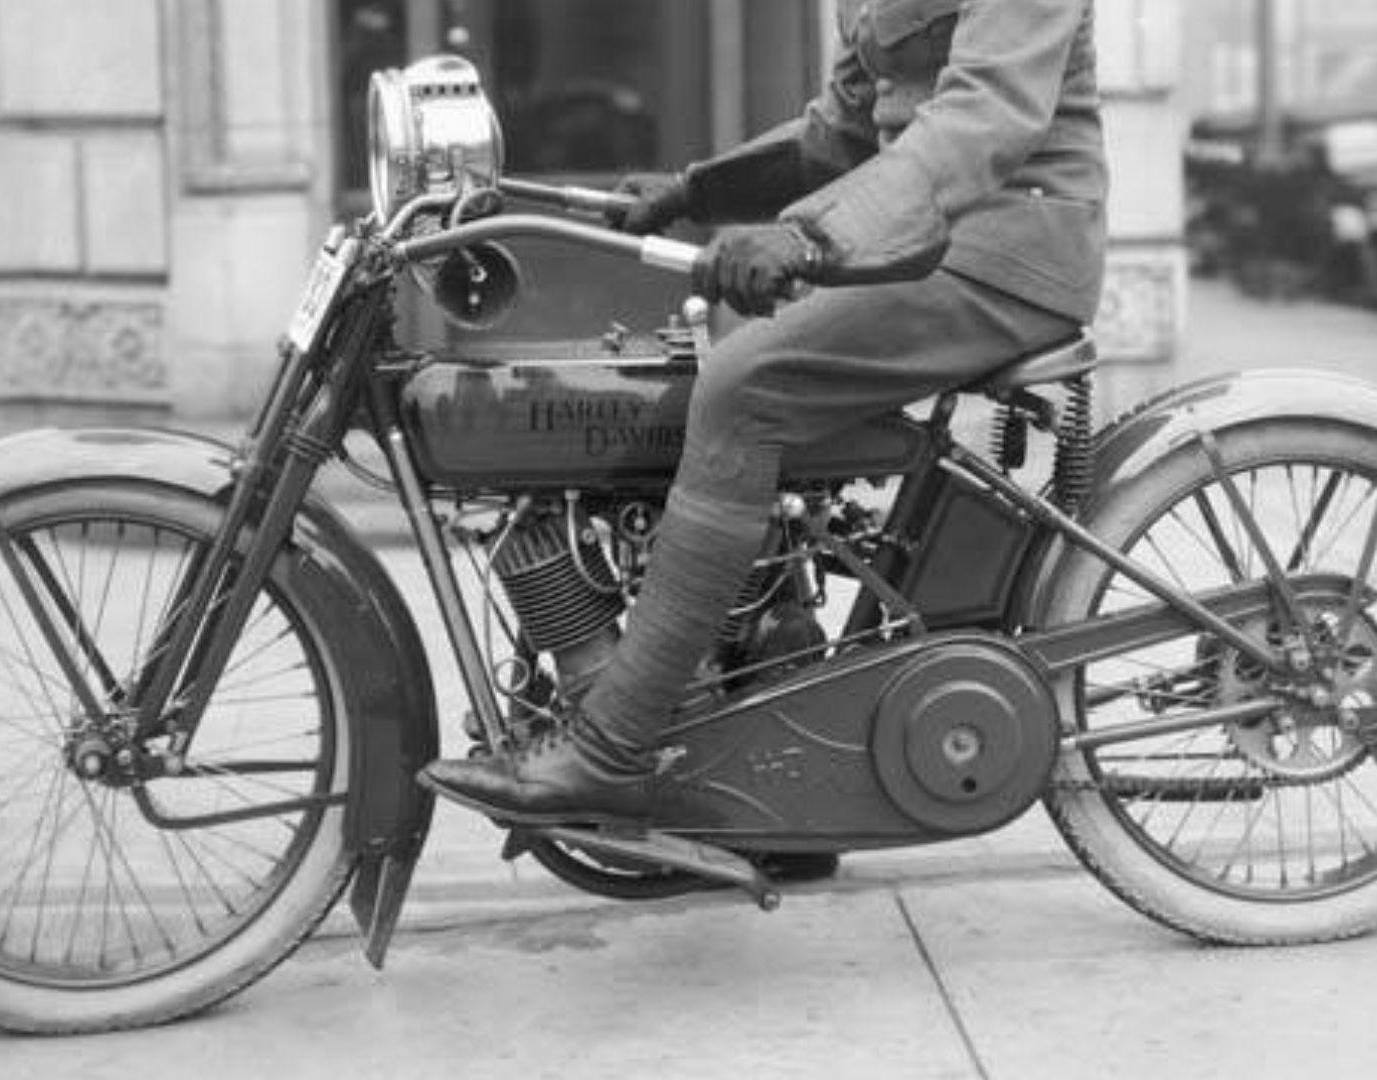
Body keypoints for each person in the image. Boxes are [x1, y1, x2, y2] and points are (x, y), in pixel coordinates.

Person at [420, 0, 1108, 845]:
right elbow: (841, 133)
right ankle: (755, 742)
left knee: (744, 389)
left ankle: (613, 744)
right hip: (919, 247)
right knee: (703, 363)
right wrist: (692, 191)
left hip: (1001, 256)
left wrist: (808, 235)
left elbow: (985, 117)